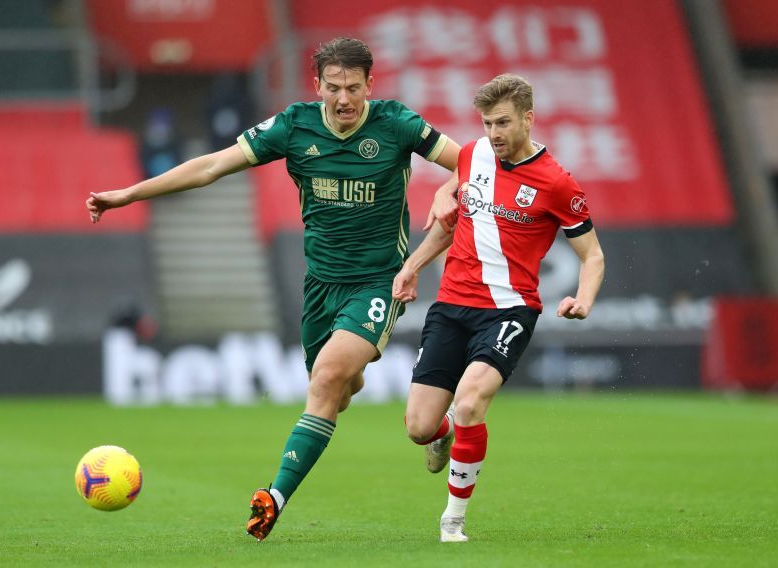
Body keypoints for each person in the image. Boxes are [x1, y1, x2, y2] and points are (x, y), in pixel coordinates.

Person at [86, 37, 460, 541]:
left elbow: (471, 164)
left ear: (371, 84)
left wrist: (444, 187)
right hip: (319, 288)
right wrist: (130, 193)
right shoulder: (294, 125)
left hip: (379, 282)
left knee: (327, 379)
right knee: (337, 390)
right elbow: (211, 166)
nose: (344, 99)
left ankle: (273, 498)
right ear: (317, 86)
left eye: (354, 87)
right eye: (334, 88)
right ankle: (435, 426)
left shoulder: (397, 123)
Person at [392, 74, 604, 542]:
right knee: (418, 427)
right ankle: (442, 432)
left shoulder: (556, 182)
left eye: (503, 122)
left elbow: (592, 255)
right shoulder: (472, 156)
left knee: (470, 403)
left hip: (510, 310)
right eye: (487, 123)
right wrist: (412, 265)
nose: (494, 133)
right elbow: (451, 225)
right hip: (450, 305)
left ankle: (453, 519)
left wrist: (583, 300)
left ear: (529, 118)